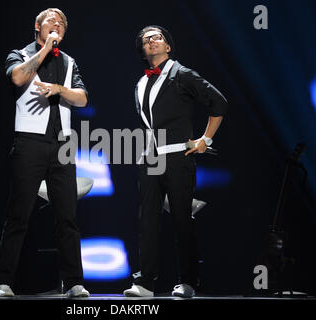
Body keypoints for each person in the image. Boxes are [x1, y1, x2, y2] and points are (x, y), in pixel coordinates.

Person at [123, 25, 228, 298]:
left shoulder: (182, 74)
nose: (153, 41)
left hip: (178, 156)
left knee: (182, 219)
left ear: (168, 47)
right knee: (147, 221)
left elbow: (219, 103)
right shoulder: (140, 83)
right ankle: (144, 282)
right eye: (147, 39)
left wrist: (205, 139)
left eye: (158, 37)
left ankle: (188, 282)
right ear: (143, 51)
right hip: (149, 159)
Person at [0, 8, 89, 298]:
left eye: (62, 22)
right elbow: (17, 78)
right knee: (18, 214)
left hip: (62, 145)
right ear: (37, 26)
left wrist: (59, 88)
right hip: (29, 143)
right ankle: (4, 281)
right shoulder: (20, 54)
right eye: (51, 20)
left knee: (67, 218)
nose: (57, 24)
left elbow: (82, 98)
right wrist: (46, 49)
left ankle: (74, 282)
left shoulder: (70, 62)